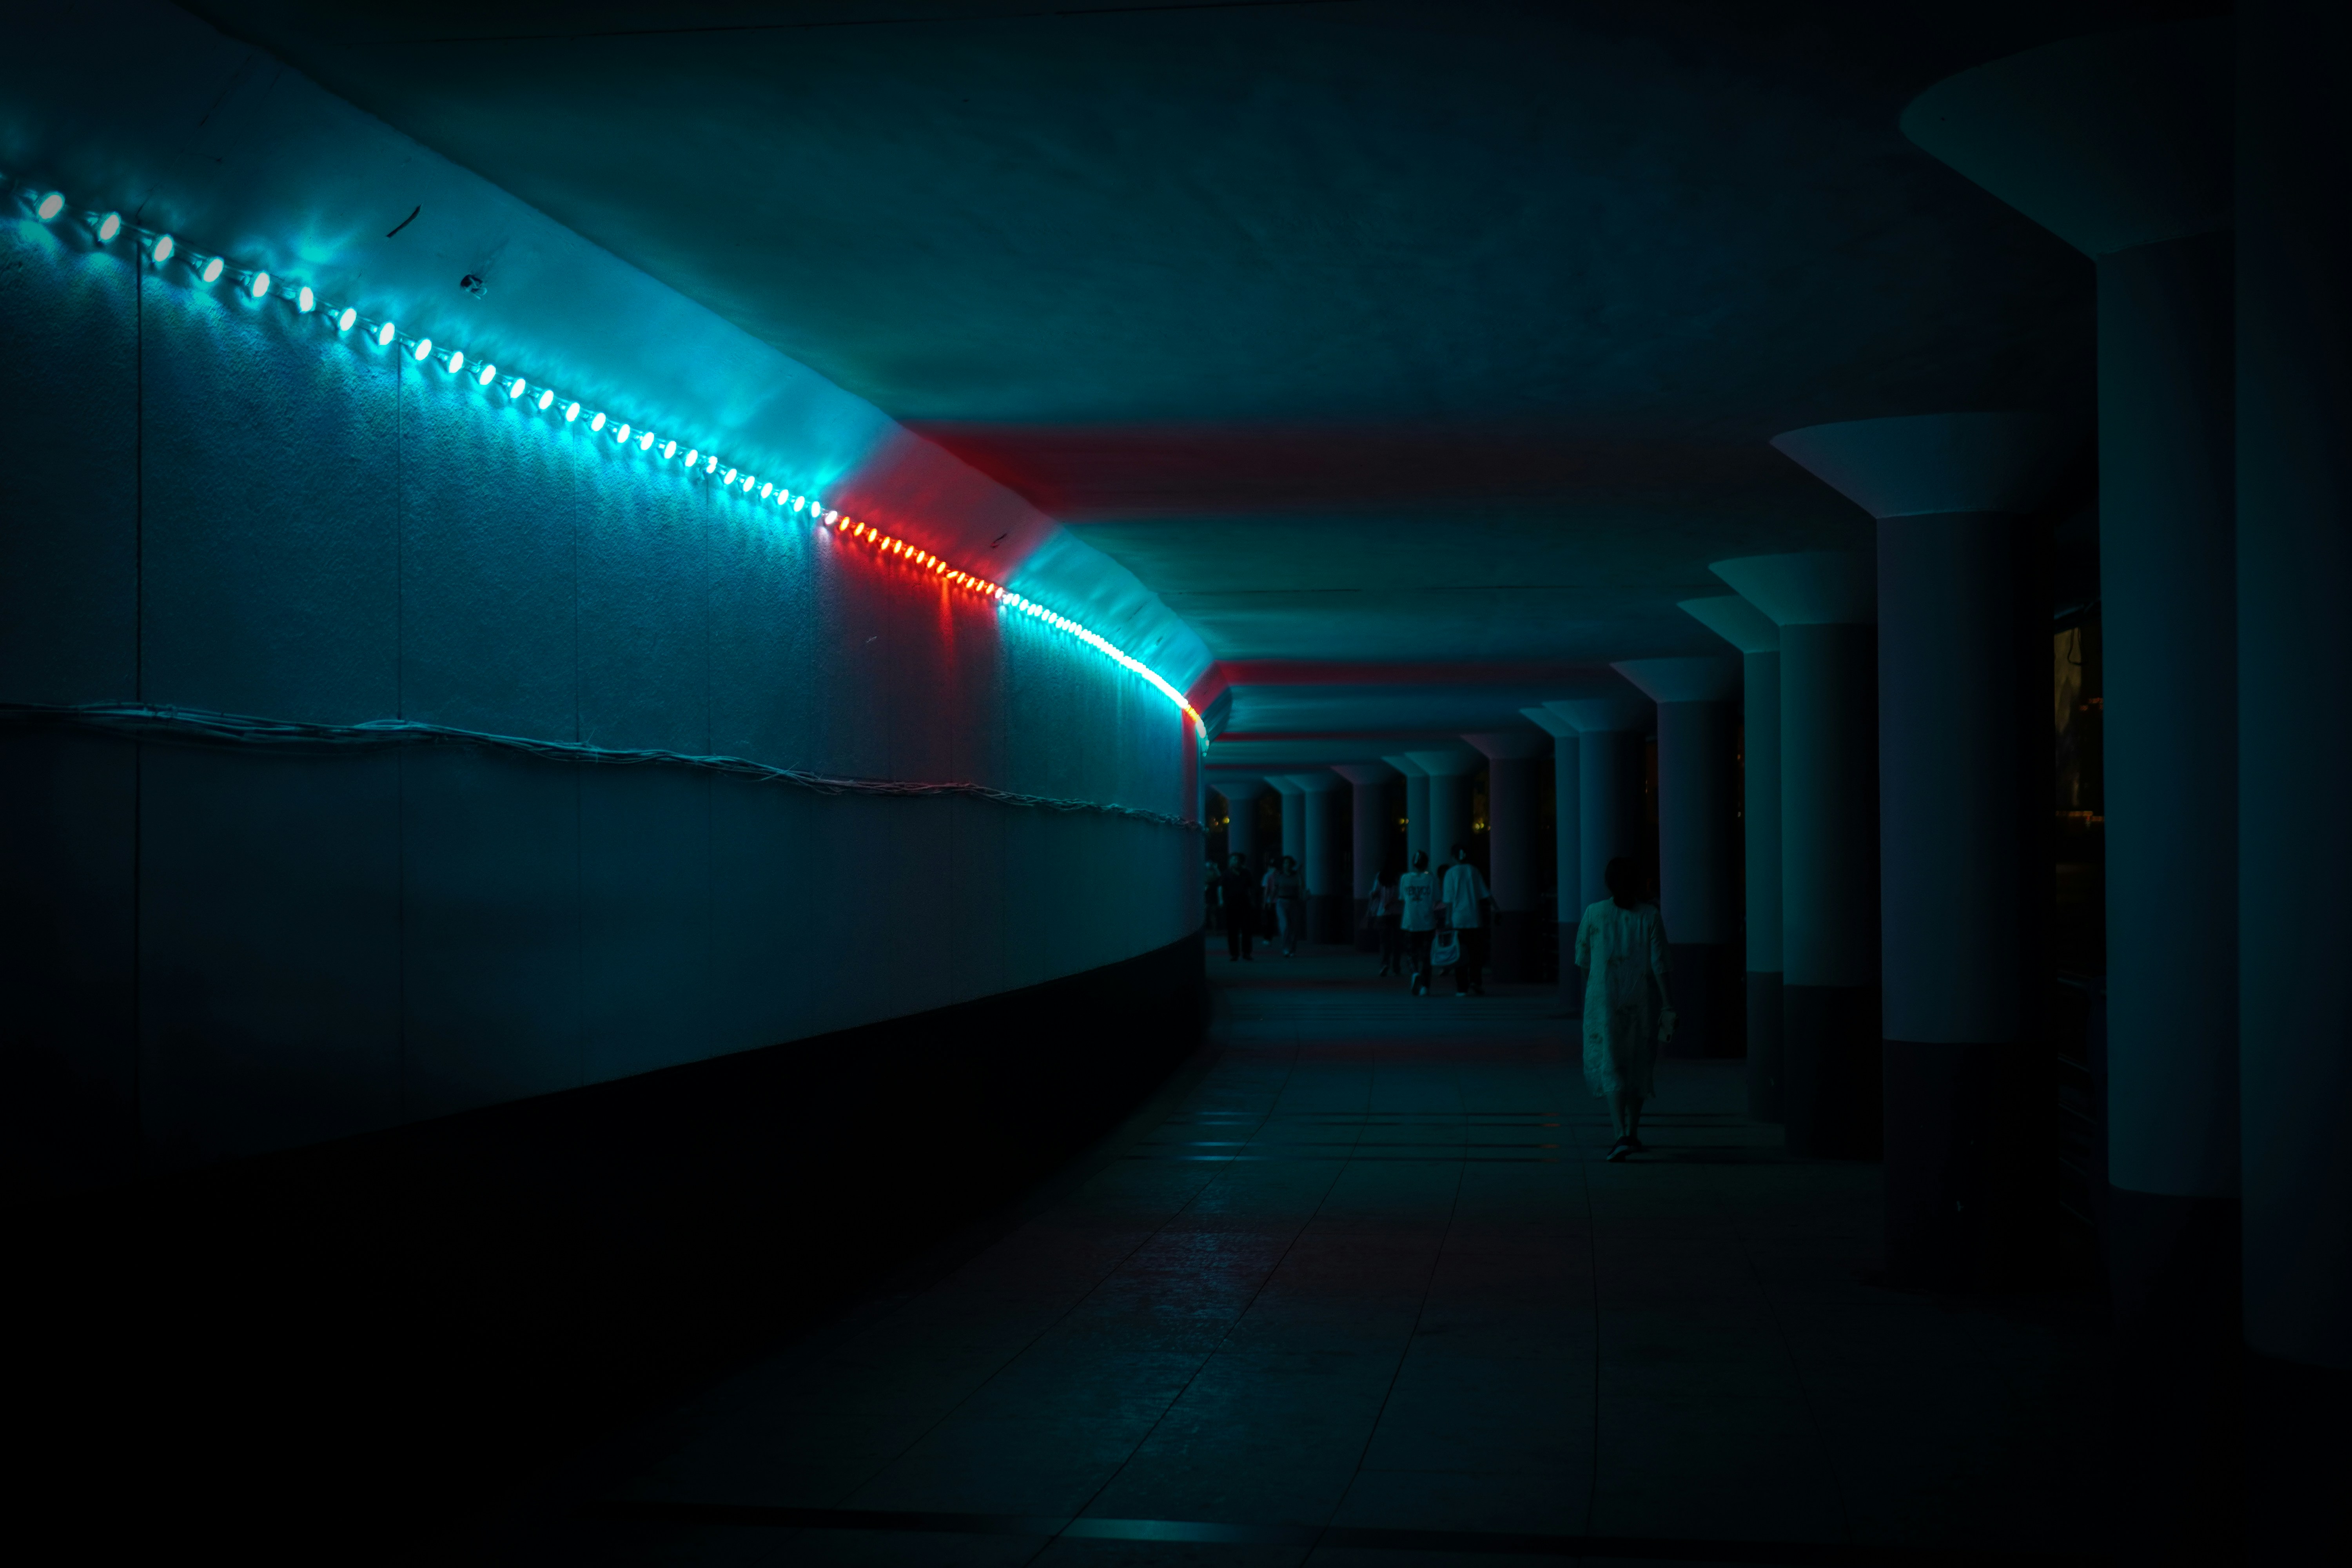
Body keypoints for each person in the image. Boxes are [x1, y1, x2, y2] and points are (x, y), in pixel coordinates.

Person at [1574, 855, 1676, 1161]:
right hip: (1642, 1000)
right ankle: (1632, 1130)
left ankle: (1620, 1133)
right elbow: (1660, 965)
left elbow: (1584, 961)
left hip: (1604, 1002)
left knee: (1611, 1062)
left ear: (1608, 883)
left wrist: (1595, 990)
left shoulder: (1594, 914)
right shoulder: (1650, 916)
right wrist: (1669, 1004)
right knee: (1639, 1063)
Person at [1437, 842, 1493, 996]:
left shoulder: (1450, 874)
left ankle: (1462, 987)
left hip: (1458, 920)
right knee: (1476, 953)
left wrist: (1448, 920)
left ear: (1454, 857)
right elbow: (1485, 893)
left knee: (1460, 954)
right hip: (1475, 919)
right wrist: (1496, 907)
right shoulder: (1473, 871)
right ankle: (1476, 981)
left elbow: (1448, 900)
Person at [1397, 850, 1438, 995]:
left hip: (1410, 922)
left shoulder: (1405, 879)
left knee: (1410, 952)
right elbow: (1437, 899)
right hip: (1427, 922)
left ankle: (1415, 973)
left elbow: (1402, 898)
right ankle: (1425, 987)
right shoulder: (1432, 879)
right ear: (1427, 864)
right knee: (1427, 956)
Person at [1219, 854, 1259, 961]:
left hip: (1245, 904)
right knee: (1233, 930)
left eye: (1237, 860)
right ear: (1230, 862)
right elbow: (1221, 887)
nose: (1235, 861)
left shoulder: (1246, 873)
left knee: (1247, 930)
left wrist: (1252, 901)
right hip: (1231, 904)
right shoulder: (1226, 874)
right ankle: (1234, 954)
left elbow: (1251, 888)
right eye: (1233, 860)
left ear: (1241, 862)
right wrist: (1221, 900)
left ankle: (1247, 953)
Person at [1366, 867, 1402, 976]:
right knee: (1397, 942)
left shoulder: (1380, 876)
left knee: (1384, 942)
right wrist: (1391, 902)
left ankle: (1385, 964)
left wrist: (1373, 896)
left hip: (1382, 913)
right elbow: (1400, 896)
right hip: (1396, 913)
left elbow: (1375, 892)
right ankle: (1396, 967)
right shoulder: (1398, 878)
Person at [1270, 855, 1307, 956]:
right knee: (1285, 926)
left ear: (1292, 865)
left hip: (1295, 902)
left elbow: (1302, 887)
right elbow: (1275, 889)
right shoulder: (1279, 876)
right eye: (1285, 863)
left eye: (1289, 863)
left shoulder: (1297, 875)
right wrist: (1270, 900)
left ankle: (1293, 949)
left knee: (1294, 927)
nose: (1287, 865)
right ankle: (1286, 948)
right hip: (1282, 902)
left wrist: (1300, 873)